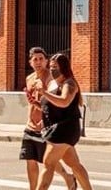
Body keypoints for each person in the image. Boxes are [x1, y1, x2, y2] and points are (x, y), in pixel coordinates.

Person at [32, 52, 93, 190]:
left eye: (55, 67)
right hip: (56, 128)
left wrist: (44, 92)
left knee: (48, 163)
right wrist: (36, 103)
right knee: (74, 164)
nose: (52, 70)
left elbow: (64, 102)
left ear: (63, 67)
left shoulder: (69, 83)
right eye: (51, 67)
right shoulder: (53, 84)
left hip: (64, 129)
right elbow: (51, 105)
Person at [20, 47, 75, 190]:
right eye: (35, 59)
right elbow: (33, 102)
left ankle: (68, 177)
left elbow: (52, 104)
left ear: (46, 61)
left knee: (48, 161)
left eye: (41, 59)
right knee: (30, 159)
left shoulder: (51, 79)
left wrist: (43, 122)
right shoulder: (29, 78)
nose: (38, 62)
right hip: (30, 125)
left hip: (45, 126)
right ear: (30, 62)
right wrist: (31, 104)